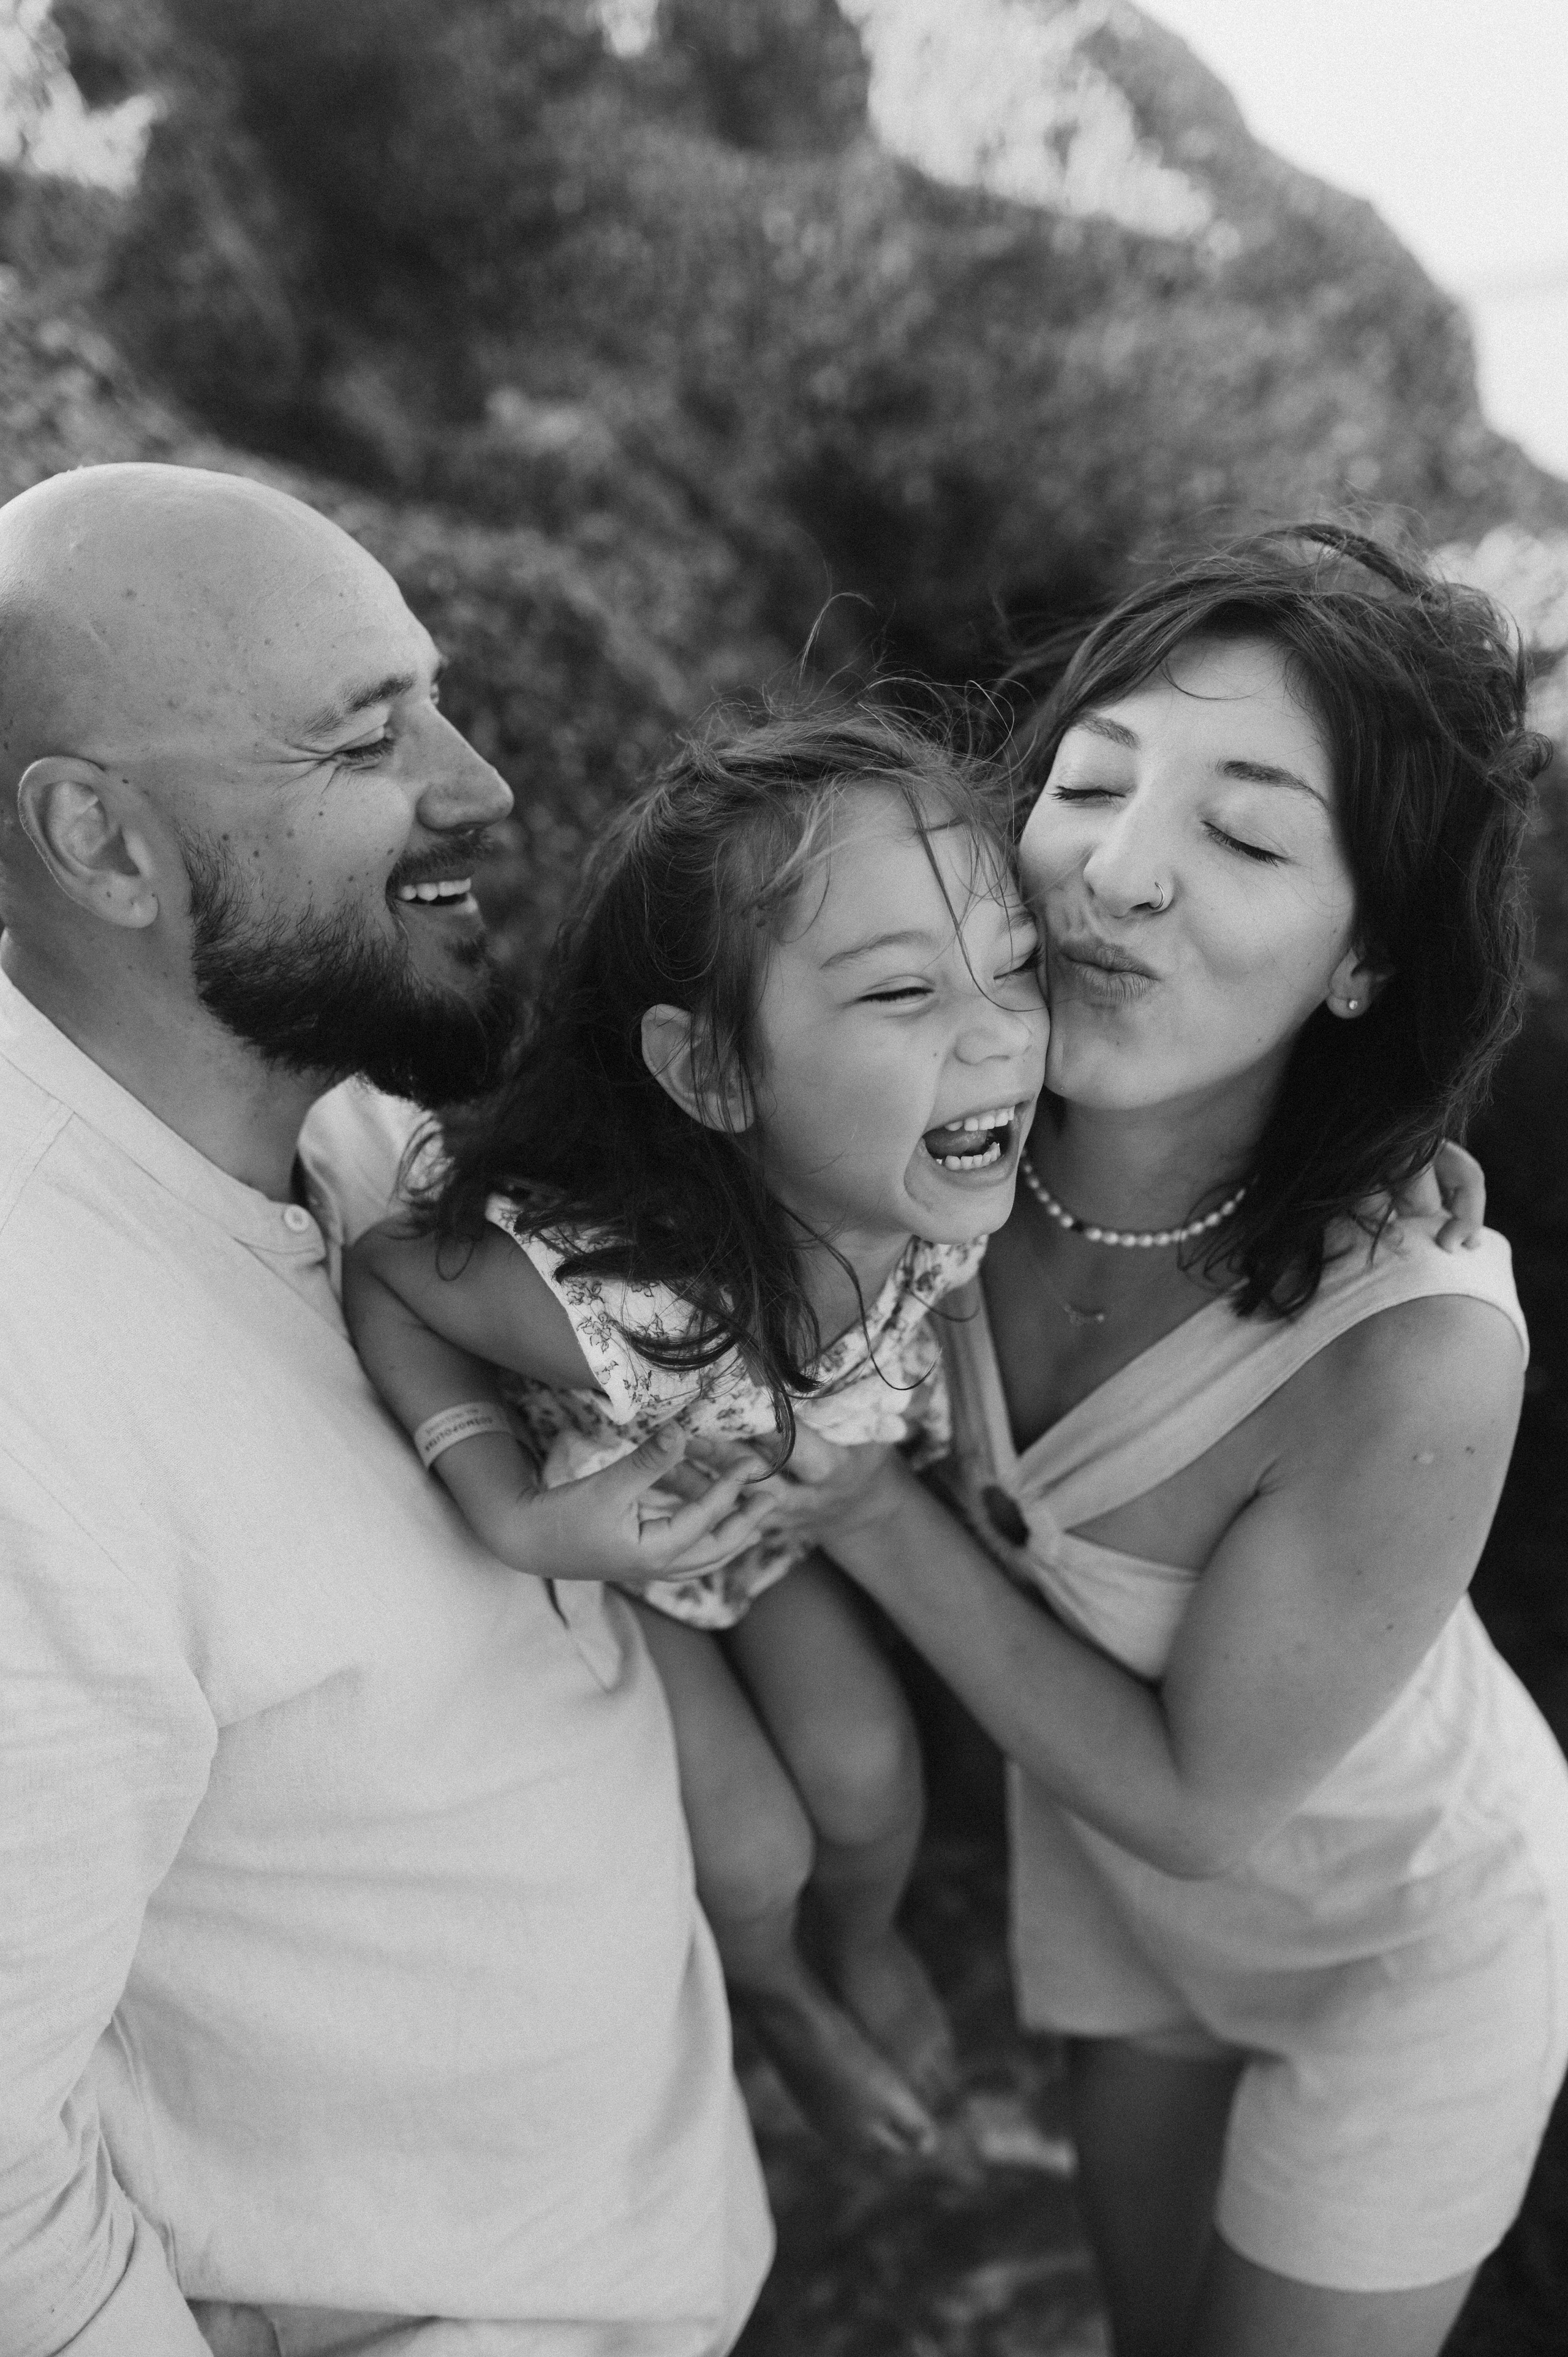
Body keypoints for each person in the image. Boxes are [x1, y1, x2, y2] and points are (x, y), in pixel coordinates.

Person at [745, 530, 1568, 2357]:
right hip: (1120, 1898)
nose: (1117, 873)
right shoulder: (930, 1134)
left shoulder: (1415, 1347)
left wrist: (869, 1508)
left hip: (1403, 1937)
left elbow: (1204, 1804)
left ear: (1364, 959)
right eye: (1091, 782)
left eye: (1249, 838)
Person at [0, 461, 772, 2357]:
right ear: (102, 841)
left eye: (434, 700)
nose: (481, 784)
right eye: (367, 739)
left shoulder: (338, 1113)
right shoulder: (34, 1385)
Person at [342, 710, 1050, 2158]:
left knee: (866, 1778)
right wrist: (514, 1510)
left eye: (1017, 962)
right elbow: (391, 1276)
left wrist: (1397, 1171)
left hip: (766, 1523)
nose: (999, 1031)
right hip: (627, 1534)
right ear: (716, 1072)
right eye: (901, 989)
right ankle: (777, 1992)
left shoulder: (951, 1167)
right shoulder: (629, 1300)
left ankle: (860, 1939)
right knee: (750, 1850)